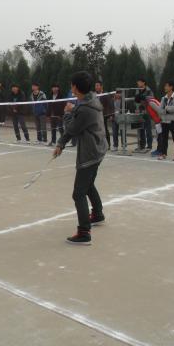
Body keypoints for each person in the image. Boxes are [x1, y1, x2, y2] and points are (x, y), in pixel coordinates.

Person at [54, 71, 108, 245]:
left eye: (72, 84)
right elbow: (79, 115)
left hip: (90, 153)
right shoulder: (91, 100)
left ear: (75, 87)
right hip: (99, 149)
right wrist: (73, 110)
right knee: (89, 184)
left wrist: (67, 113)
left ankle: (84, 232)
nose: (71, 87)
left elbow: (72, 128)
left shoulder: (84, 109)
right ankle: (97, 214)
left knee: (78, 193)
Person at [157, 81, 174, 161]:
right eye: (165, 86)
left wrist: (166, 108)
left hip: (173, 121)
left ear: (171, 87)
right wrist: (167, 109)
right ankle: (163, 153)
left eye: (166, 86)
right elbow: (160, 110)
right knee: (164, 138)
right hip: (164, 121)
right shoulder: (163, 98)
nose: (165, 87)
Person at [134, 78, 154, 152]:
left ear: (143, 83)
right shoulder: (137, 90)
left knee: (148, 129)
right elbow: (136, 100)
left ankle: (149, 146)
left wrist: (144, 97)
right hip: (140, 111)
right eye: (137, 82)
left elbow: (152, 99)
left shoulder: (149, 90)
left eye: (139, 82)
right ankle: (142, 145)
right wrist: (137, 108)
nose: (138, 84)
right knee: (141, 128)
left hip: (147, 111)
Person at [95, 80, 112, 147]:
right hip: (96, 115)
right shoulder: (95, 95)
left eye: (97, 85)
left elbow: (109, 104)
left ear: (101, 86)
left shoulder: (105, 94)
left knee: (104, 130)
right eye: (95, 86)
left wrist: (110, 115)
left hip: (104, 115)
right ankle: (99, 144)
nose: (96, 87)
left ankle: (108, 144)